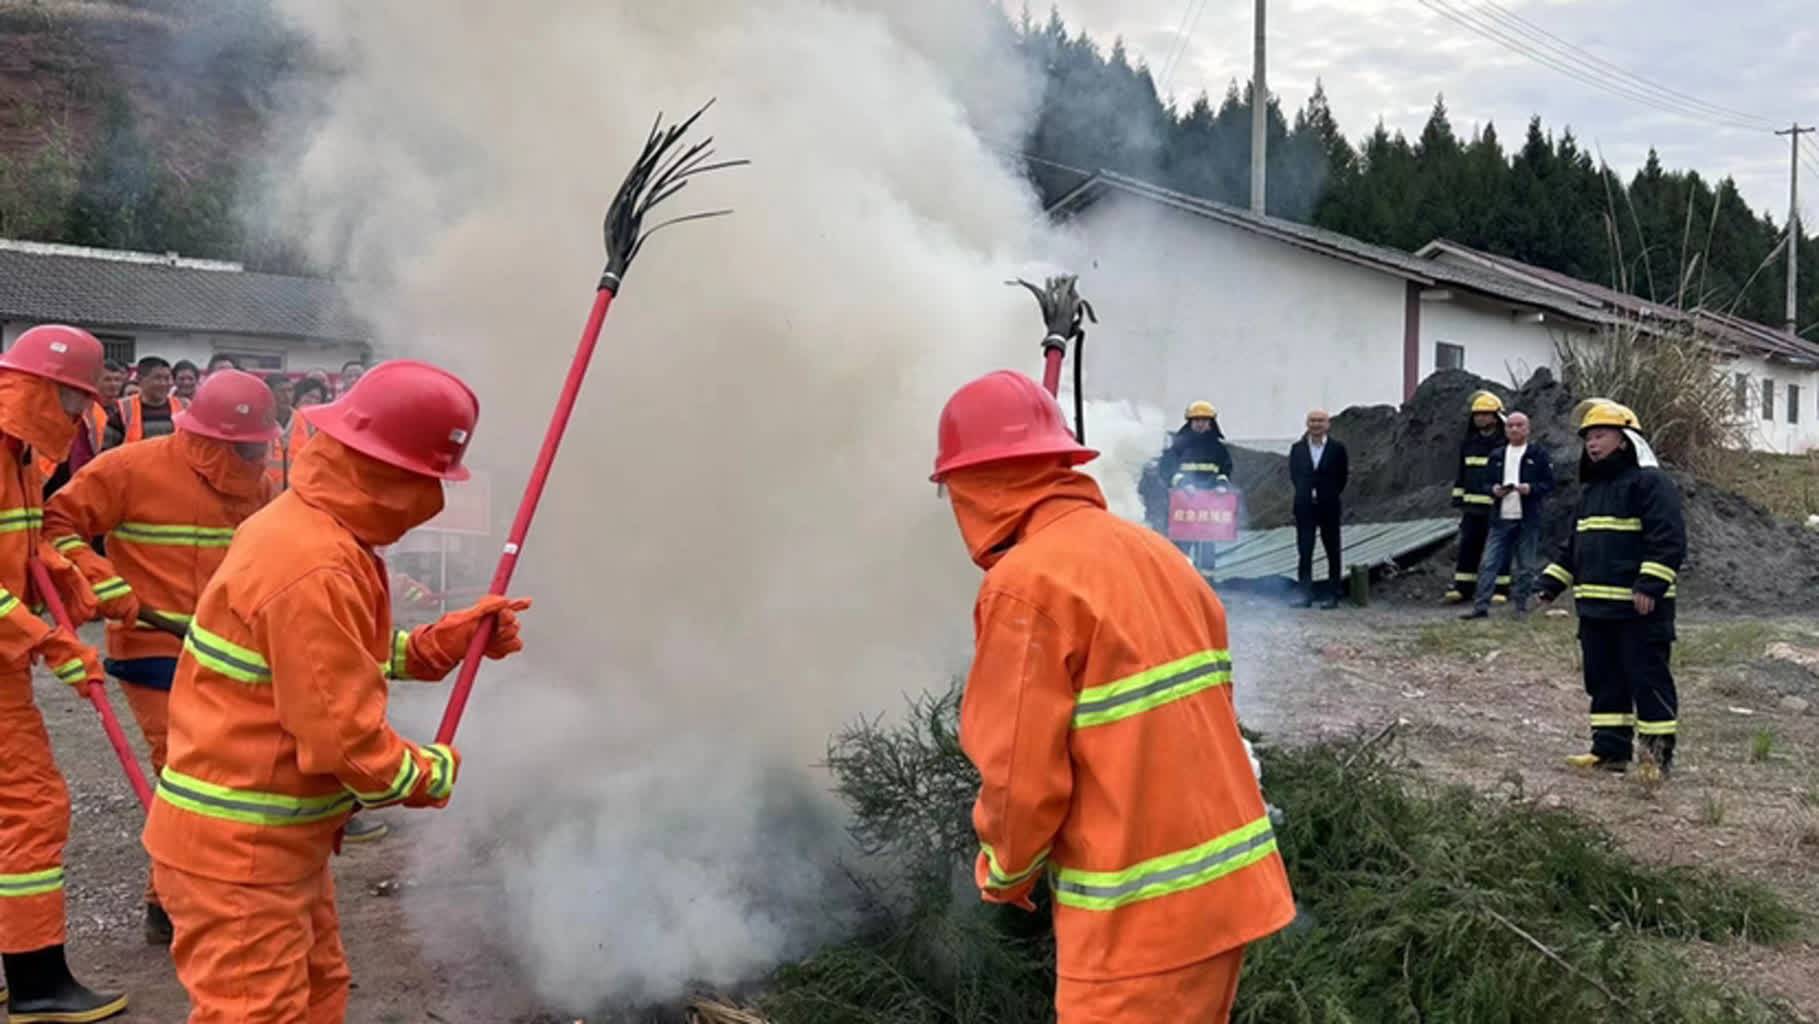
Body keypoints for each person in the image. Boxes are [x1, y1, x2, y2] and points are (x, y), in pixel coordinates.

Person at [142, 360, 532, 1022]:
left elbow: (326, 664)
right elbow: (343, 742)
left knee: (320, 993)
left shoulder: (312, 528)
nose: (432, 499)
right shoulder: (314, 563)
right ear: (394, 477)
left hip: (274, 848)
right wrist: (429, 773)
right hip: (242, 857)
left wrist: (441, 644)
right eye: (429, 481)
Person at [931, 370, 1293, 1023]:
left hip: (1139, 923)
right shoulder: (1153, 554)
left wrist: (1005, 874)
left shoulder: (1025, 586)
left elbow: (1019, 777)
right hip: (1228, 894)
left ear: (974, 487)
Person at [45, 370, 280, 947]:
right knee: (187, 772)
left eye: (258, 446)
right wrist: (102, 581)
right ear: (209, 438)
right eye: (242, 447)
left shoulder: (261, 485)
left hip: (229, 652)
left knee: (228, 774)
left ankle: (177, 901)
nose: (252, 457)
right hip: (152, 650)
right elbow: (57, 525)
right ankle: (177, 905)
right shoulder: (132, 467)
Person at [0, 324, 129, 1022]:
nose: (79, 420)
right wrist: (51, 643)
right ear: (42, 390)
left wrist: (55, 569)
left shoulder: (19, 455)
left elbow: (16, 543)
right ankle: (36, 981)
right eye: (75, 403)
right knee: (30, 807)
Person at [1538, 401, 1685, 780]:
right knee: (1604, 681)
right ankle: (1609, 752)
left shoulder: (1651, 483)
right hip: (1595, 611)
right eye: (1588, 437)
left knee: (1648, 681)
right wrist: (1551, 583)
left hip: (1640, 611)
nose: (1592, 443)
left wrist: (1650, 585)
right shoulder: (1592, 491)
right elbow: (1576, 545)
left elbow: (1668, 540)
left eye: (1600, 435)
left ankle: (1656, 761)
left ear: (1626, 440)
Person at [1461, 412, 1554, 619]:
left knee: (1526, 566)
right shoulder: (1497, 455)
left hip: (1527, 518)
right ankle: (1480, 608)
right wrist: (1494, 490)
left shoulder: (1537, 454)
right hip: (1500, 518)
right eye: (1510, 425)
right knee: (1488, 563)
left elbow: (1549, 484)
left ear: (1527, 429)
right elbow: (1485, 483)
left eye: (1519, 425)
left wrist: (1530, 489)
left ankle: (1520, 608)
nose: (1514, 429)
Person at [1444, 390, 1510, 603]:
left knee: (1499, 548)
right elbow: (1462, 474)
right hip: (1472, 508)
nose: (1480, 418)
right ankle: (1463, 588)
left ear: (1496, 417)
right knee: (1469, 547)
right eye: (1477, 414)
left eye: (1485, 414)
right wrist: (1458, 498)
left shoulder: (1504, 445)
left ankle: (1501, 589)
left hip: (1497, 506)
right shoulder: (1469, 443)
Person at [1289, 409, 1349, 609]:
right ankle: (1305, 594)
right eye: (1313, 421)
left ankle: (1333, 594)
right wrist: (1306, 493)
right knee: (1304, 551)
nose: (1316, 424)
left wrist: (1327, 494)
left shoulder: (1337, 449)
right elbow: (1294, 476)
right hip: (1304, 507)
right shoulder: (1297, 449)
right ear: (1307, 424)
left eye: (1320, 421)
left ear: (1328, 424)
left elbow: (1342, 477)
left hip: (1329, 506)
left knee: (1332, 550)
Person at [105, 356, 187, 448]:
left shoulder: (184, 407)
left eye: (167, 378)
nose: (163, 383)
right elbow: (106, 449)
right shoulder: (124, 409)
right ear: (140, 379)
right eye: (158, 378)